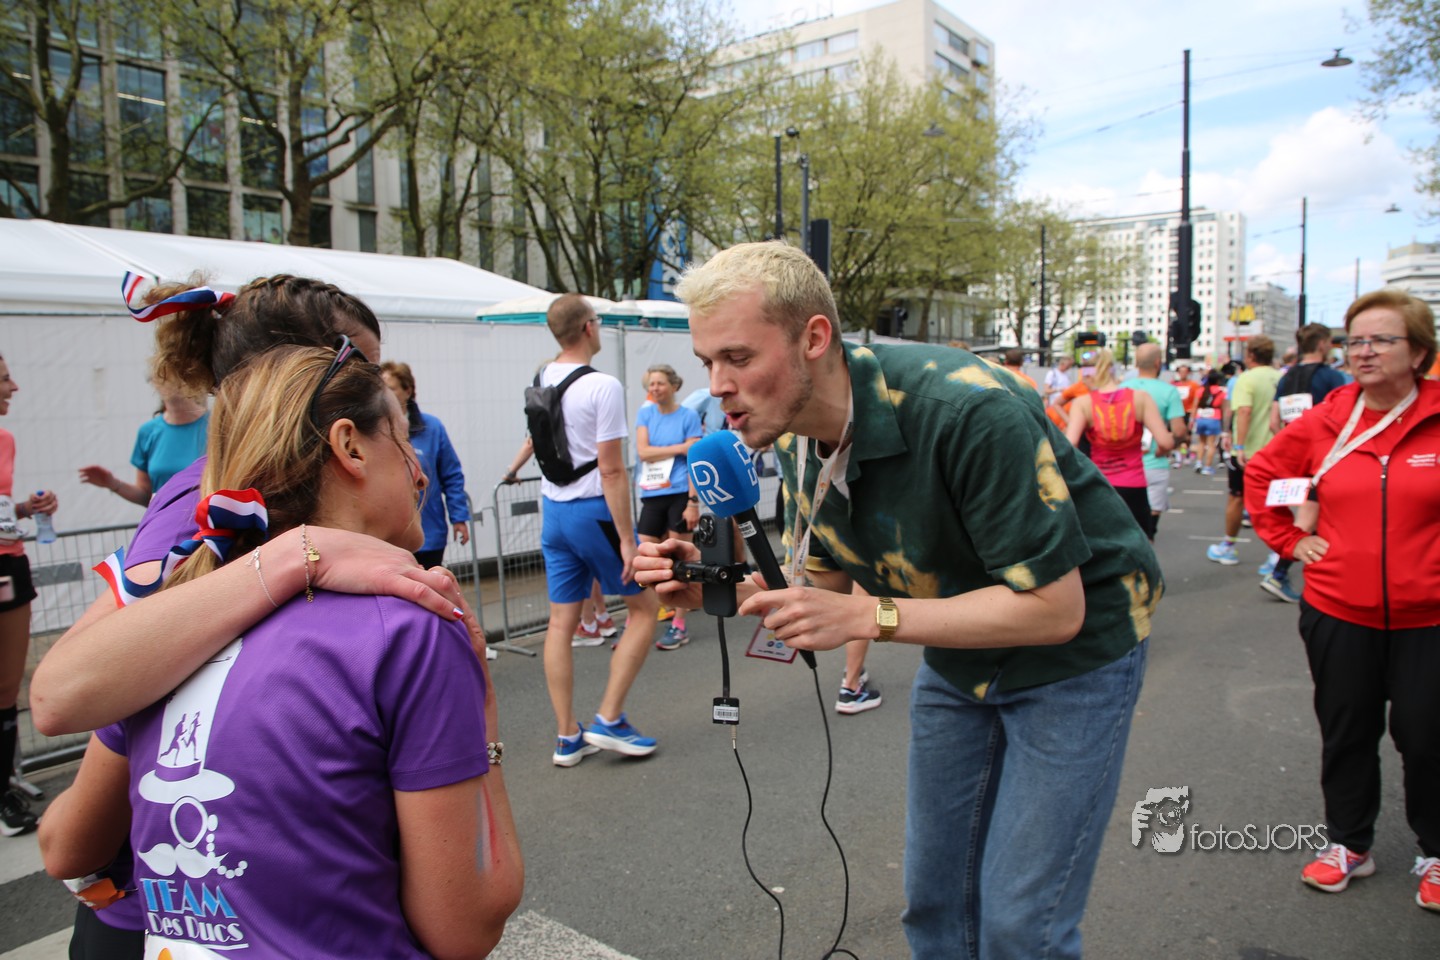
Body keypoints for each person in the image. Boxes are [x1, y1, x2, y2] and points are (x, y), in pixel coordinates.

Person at [635, 241, 1162, 959]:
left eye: (737, 357)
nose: (717, 386)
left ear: (813, 338)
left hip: (1077, 659)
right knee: (935, 903)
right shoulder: (793, 434)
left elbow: (1055, 609)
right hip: (959, 656)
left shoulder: (969, 408)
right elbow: (819, 588)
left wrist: (869, 615)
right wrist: (710, 587)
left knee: (1020, 924)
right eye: (706, 363)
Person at [29, 276, 465, 958]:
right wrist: (296, 555)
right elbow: (62, 694)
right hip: (158, 912)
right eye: (360, 365)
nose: (377, 391)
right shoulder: (203, 496)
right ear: (295, 374)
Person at [1244, 289, 1440, 913]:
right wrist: (1290, 540)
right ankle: (1350, 844)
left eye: (1382, 339)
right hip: (1338, 611)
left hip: (1430, 615)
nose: (1365, 351)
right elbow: (1263, 475)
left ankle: (1436, 851)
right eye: (1356, 340)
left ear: (1419, 352)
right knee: (1347, 730)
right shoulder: (1327, 420)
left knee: (1427, 734)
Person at [526, 293, 660, 766]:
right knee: (645, 609)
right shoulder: (603, 385)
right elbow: (612, 470)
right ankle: (609, 718)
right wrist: (627, 539)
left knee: (560, 624)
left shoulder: (541, 377)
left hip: (554, 512)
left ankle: (567, 736)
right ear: (587, 327)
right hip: (594, 513)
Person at [1, 354, 58, 837]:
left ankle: (5, 790)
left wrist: (28, 508)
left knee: (7, 686)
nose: (14, 387)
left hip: (9, 564)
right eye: (5, 379)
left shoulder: (6, 439)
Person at [1258, 323, 1349, 602]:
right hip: (1328, 460)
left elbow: (1274, 421)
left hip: (1296, 460)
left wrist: (1292, 449)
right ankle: (1279, 572)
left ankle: (1286, 569)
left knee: (1310, 517)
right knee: (1311, 519)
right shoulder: (1332, 377)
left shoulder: (1286, 378)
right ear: (1322, 344)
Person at [1064, 348, 1174, 538]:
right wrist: (1161, 450)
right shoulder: (1140, 398)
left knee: (1101, 544)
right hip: (1134, 485)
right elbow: (1165, 441)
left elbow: (1069, 445)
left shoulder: (1083, 403)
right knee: (1141, 543)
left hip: (1099, 485)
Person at [633, 364, 702, 650]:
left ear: (674, 386)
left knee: (680, 559)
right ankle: (647, 617)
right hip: (652, 492)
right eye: (651, 384)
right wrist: (680, 447)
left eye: (660, 383)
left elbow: (694, 458)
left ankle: (679, 625)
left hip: (679, 492)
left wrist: (693, 502)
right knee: (647, 554)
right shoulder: (645, 414)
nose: (655, 388)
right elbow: (643, 452)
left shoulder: (688, 416)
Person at [379, 361, 470, 569]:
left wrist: (458, 518)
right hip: (389, 536)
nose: (385, 395)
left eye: (391, 389)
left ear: (408, 390)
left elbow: (452, 475)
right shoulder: (374, 431)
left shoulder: (432, 428)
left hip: (429, 532)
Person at [1205, 337, 1280, 566]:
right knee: (1274, 501)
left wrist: (1238, 445)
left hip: (1249, 450)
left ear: (1251, 355)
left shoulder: (1246, 378)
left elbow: (1244, 411)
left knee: (1236, 497)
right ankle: (1277, 553)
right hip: (1276, 449)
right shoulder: (1280, 377)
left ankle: (1228, 546)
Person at [79, 377, 208, 506]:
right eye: (163, 377)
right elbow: (146, 495)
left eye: (173, 375)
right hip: (165, 517)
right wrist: (113, 483)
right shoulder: (148, 431)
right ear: (154, 382)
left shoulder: (213, 426)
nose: (169, 382)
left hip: (206, 516)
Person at [1122, 343, 1187, 537]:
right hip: (1155, 462)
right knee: (1149, 526)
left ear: (1136, 363)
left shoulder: (1121, 389)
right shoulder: (1168, 391)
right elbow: (1179, 430)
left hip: (1122, 465)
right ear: (1158, 363)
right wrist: (1169, 444)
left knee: (1124, 523)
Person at [1189, 369, 1228, 475]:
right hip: (1214, 417)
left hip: (1201, 417)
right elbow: (1224, 407)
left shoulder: (1201, 390)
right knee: (1211, 444)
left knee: (1201, 442)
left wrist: (1192, 419)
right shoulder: (1221, 391)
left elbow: (1195, 405)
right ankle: (1207, 467)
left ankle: (1198, 463)